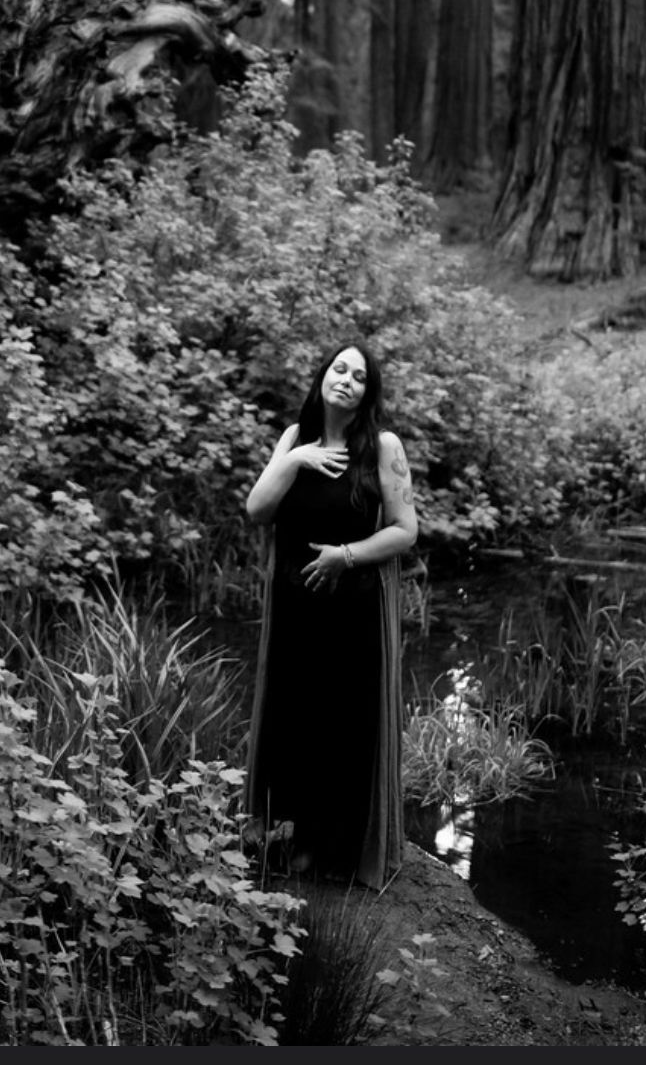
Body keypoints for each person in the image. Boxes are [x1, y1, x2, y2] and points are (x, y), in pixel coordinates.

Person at [243, 340, 418, 888]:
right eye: (339, 369)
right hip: (295, 613)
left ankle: (336, 848)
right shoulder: (295, 438)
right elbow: (258, 509)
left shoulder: (382, 446)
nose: (346, 379)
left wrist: (345, 556)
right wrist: (296, 459)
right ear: (322, 378)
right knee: (293, 719)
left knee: (343, 725)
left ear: (368, 392)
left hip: (352, 614)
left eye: (359, 376)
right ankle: (293, 839)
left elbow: (405, 531)